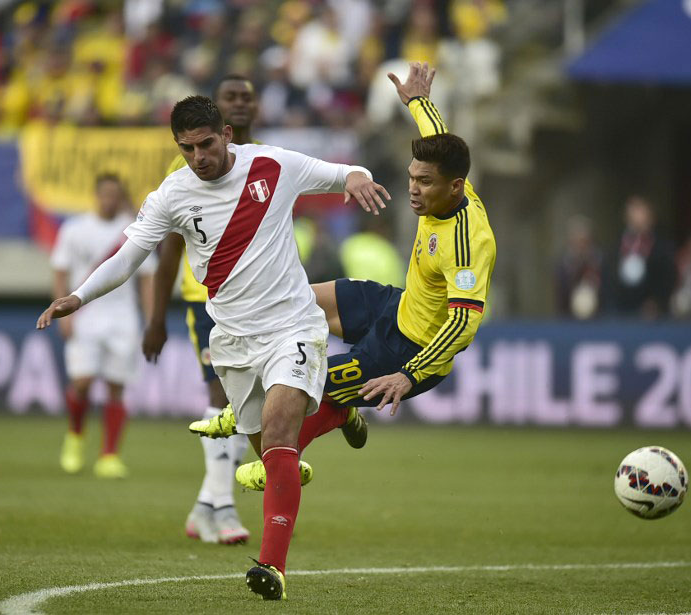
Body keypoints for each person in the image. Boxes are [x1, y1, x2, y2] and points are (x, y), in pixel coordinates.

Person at [37, 94, 390, 600]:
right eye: (187, 149)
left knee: (278, 433)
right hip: (231, 342)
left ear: (226, 133)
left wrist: (356, 174)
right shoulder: (172, 195)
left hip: (292, 325)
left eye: (206, 144)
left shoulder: (272, 164)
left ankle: (273, 568)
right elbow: (129, 255)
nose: (198, 157)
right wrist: (78, 295)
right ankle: (336, 410)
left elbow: (340, 172)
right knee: (270, 451)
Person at [193, 62, 496, 492]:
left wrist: (408, 374)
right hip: (398, 305)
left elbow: (464, 322)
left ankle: (280, 456)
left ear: (456, 187)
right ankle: (258, 397)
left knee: (306, 385)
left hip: (408, 350)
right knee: (297, 298)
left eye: (424, 183)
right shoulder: (446, 181)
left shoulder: (467, 244)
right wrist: (417, 101)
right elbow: (437, 140)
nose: (413, 189)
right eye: (411, 177)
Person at [141, 75, 260, 546]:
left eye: (247, 98)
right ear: (219, 112)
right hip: (205, 300)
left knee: (250, 402)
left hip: (257, 303)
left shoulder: (266, 161)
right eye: (231, 98)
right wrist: (155, 318)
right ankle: (224, 508)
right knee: (223, 399)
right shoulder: (187, 167)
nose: (240, 104)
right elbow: (168, 250)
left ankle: (205, 506)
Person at [51, 173, 156, 479]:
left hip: (122, 315)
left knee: (116, 385)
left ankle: (109, 454)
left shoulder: (132, 231)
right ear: (96, 195)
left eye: (114, 194)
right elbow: (60, 271)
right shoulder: (75, 229)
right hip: (85, 313)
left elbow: (147, 276)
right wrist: (63, 312)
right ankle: (75, 436)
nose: (109, 200)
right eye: (104, 194)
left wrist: (151, 319)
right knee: (82, 382)